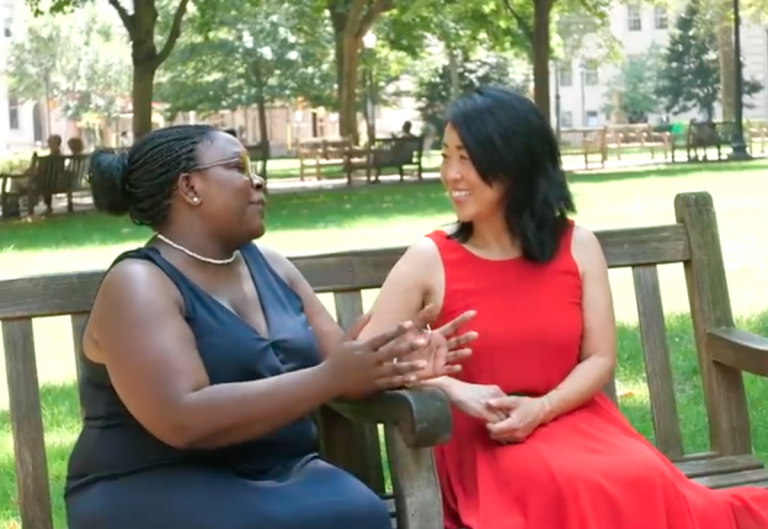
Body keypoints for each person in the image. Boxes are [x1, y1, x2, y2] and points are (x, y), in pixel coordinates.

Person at [358, 86, 768, 529]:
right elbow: (360, 363)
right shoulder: (429, 259)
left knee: (640, 476)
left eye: (467, 159)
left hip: (572, 418)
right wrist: (447, 386)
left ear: (515, 163)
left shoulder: (578, 246)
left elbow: (599, 358)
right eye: (445, 156)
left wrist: (544, 408)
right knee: (569, 484)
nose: (451, 174)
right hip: (484, 439)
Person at [66, 124, 477, 529]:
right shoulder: (139, 283)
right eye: (239, 166)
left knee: (361, 513)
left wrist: (394, 363)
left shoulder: (273, 266)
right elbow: (182, 418)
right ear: (190, 187)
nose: (257, 180)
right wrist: (330, 377)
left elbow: (341, 366)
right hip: (153, 480)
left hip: (278, 471)